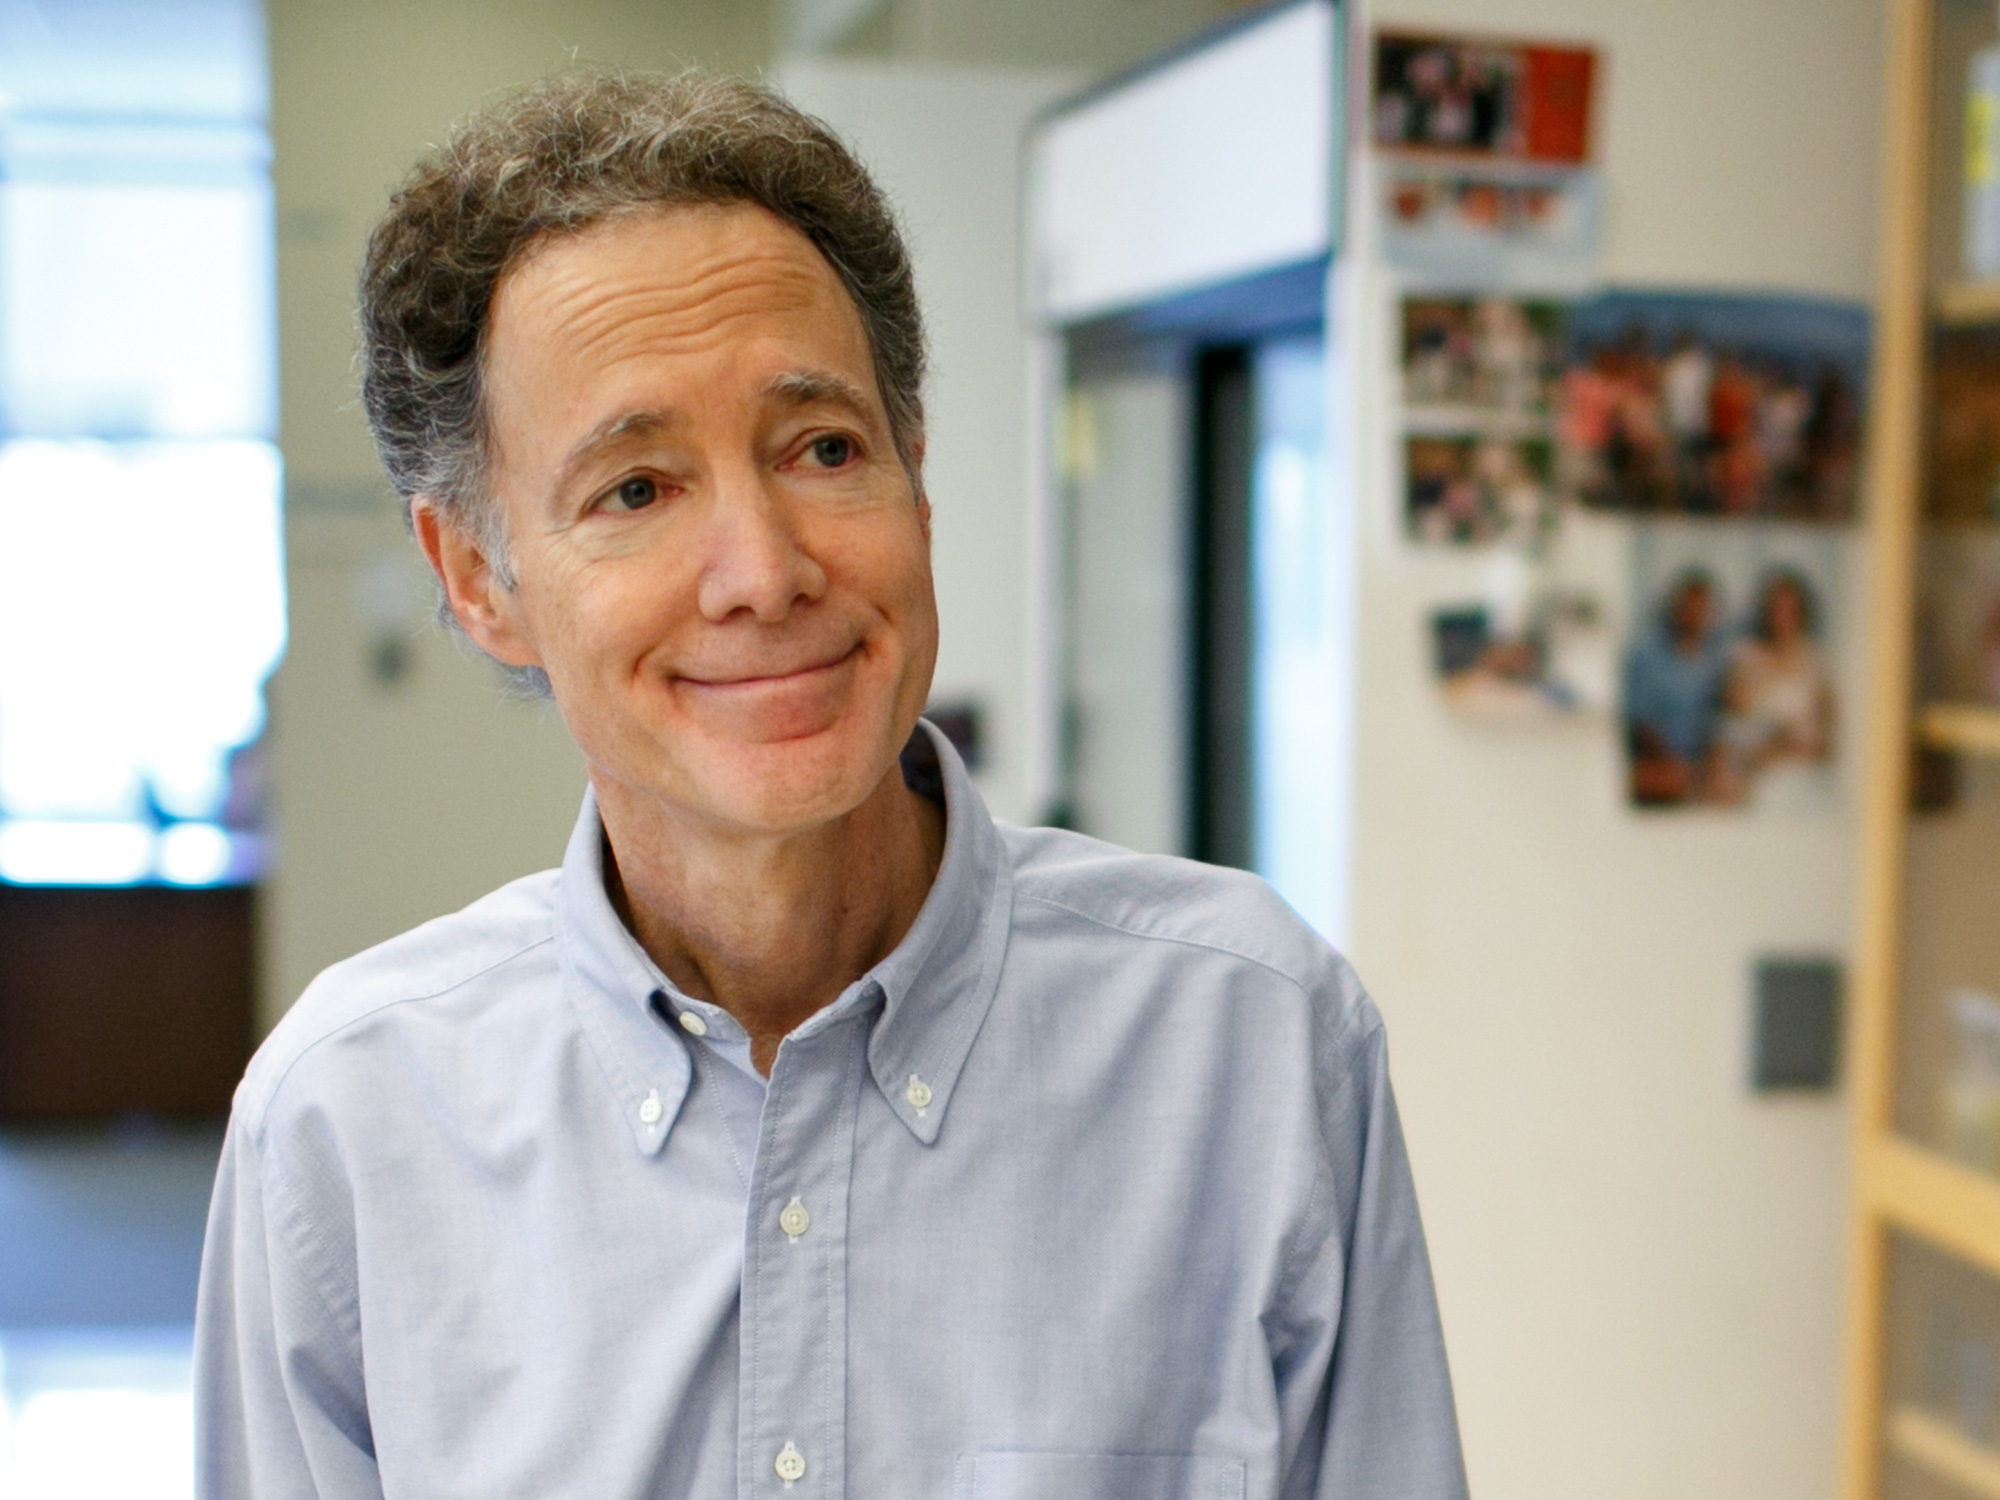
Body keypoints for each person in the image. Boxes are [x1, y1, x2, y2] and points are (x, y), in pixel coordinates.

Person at [193, 72, 1466, 1500]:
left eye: (823, 449)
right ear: (479, 579)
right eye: (636, 488)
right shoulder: (348, 1122)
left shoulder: (1255, 1046)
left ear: (915, 479)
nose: (766, 571)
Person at [1624, 570, 1730, 805]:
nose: (1693, 615)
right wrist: (1669, 763)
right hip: (1655, 762)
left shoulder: (1716, 661)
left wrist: (1704, 767)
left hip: (1700, 768)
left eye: (1700, 608)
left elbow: (1719, 721)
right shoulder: (1646, 657)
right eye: (1687, 607)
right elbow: (1639, 721)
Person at [1722, 569, 1834, 776]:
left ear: (1801, 613)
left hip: (1799, 769)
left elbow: (1825, 736)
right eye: (1775, 608)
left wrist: (1788, 746)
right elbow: (1732, 716)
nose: (1781, 616)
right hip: (1748, 766)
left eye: (1789, 609)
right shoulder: (1745, 655)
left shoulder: (1814, 662)